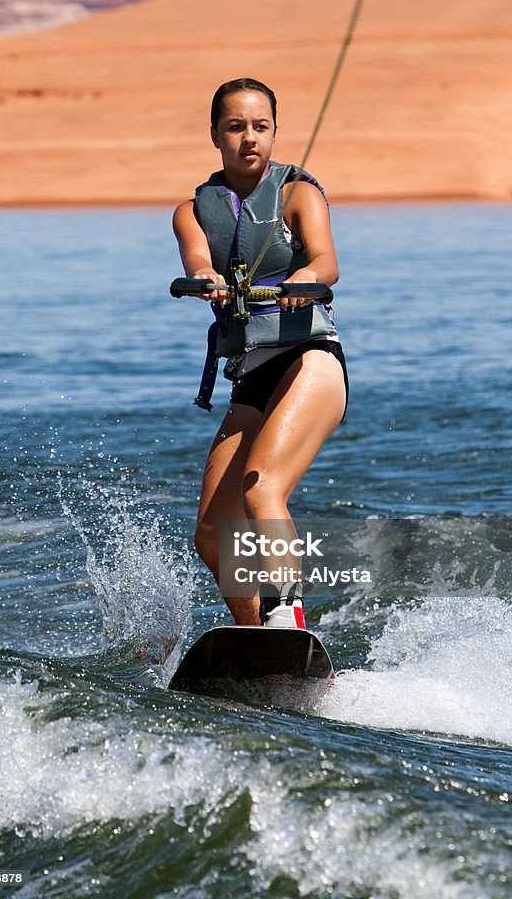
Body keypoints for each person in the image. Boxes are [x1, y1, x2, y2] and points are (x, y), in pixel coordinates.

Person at [172, 77, 348, 629]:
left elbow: (327, 263)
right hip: (251, 374)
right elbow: (197, 259)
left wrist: (304, 276)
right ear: (215, 135)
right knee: (211, 529)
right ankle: (261, 637)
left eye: (261, 126)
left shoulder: (299, 194)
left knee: (261, 486)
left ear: (273, 132)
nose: (249, 137)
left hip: (310, 360)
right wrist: (205, 277)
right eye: (236, 126)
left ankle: (285, 617)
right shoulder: (191, 211)